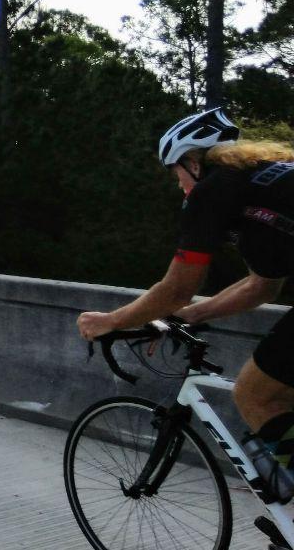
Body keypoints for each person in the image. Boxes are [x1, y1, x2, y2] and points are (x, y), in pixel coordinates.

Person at [78, 108, 294, 500]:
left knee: (254, 394)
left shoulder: (215, 191)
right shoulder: (264, 182)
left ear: (193, 162)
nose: (179, 185)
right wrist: (188, 315)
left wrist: (111, 320)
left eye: (176, 172)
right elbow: (262, 287)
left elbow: (175, 288)